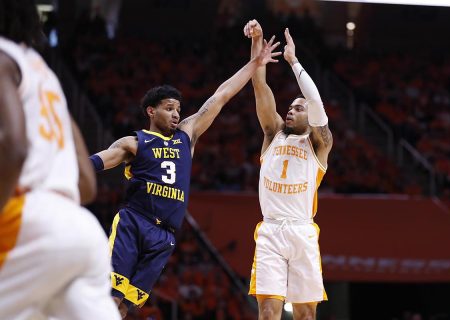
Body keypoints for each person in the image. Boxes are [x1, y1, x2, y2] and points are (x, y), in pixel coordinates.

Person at [89, 37, 281, 317]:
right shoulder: (134, 143)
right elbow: (99, 160)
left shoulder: (186, 136)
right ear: (151, 111)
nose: (176, 114)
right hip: (134, 222)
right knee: (110, 295)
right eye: (169, 108)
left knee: (126, 305)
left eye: (178, 109)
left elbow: (221, 95)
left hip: (164, 235)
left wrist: (255, 63)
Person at [0, 0, 121, 319]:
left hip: (26, 220)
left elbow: (14, 148)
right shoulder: (47, 78)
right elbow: (86, 182)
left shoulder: (3, 58)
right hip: (81, 229)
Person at [244, 20, 333, 320]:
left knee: (306, 315)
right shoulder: (273, 133)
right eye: (291, 107)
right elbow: (260, 86)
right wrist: (256, 42)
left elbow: (317, 103)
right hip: (270, 229)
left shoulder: (319, 143)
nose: (291, 110)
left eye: (299, 107)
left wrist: (293, 62)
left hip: (302, 230)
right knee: (268, 313)